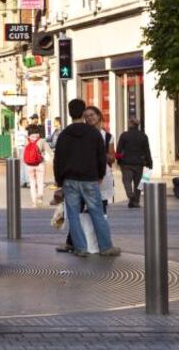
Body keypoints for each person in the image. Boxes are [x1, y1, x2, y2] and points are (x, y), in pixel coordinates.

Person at [53, 99, 120, 258]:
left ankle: (80, 248)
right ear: (83, 113)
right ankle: (105, 247)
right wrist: (100, 175)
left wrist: (59, 182)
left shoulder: (64, 134)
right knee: (97, 213)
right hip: (90, 179)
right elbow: (101, 158)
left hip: (69, 180)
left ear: (69, 113)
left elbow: (58, 160)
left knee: (73, 215)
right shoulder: (93, 133)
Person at [84, 106, 116, 212]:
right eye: (86, 116)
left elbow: (112, 158)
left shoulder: (107, 137)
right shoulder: (83, 135)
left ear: (98, 116)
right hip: (86, 176)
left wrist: (100, 152)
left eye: (92, 115)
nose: (89, 118)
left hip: (103, 176)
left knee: (101, 208)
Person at [116, 118, 152, 208]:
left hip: (126, 163)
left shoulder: (124, 135)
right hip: (139, 163)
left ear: (130, 124)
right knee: (138, 183)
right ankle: (135, 202)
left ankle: (130, 195)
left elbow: (119, 149)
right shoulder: (143, 136)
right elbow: (147, 151)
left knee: (126, 181)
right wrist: (149, 163)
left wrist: (119, 160)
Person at [22, 132, 50, 207]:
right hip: (40, 164)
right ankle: (40, 200)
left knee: (32, 183)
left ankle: (34, 202)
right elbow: (48, 151)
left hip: (29, 165)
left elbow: (24, 151)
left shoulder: (26, 140)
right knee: (40, 182)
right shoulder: (41, 140)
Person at [13, 117, 29, 187]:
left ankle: (24, 181)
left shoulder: (27, 131)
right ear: (22, 123)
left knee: (25, 165)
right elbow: (16, 142)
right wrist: (16, 151)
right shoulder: (19, 132)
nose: (27, 123)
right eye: (25, 122)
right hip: (21, 148)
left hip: (26, 149)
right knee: (23, 165)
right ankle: (24, 181)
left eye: (27, 122)